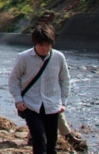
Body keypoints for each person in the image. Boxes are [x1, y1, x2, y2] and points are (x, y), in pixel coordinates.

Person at [8, 24, 71, 154]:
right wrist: (18, 100)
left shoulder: (59, 57)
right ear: (35, 43)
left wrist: (63, 102)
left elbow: (65, 80)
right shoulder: (24, 57)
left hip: (52, 105)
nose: (45, 48)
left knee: (51, 144)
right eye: (41, 45)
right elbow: (13, 80)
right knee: (39, 140)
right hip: (30, 105)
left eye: (48, 45)